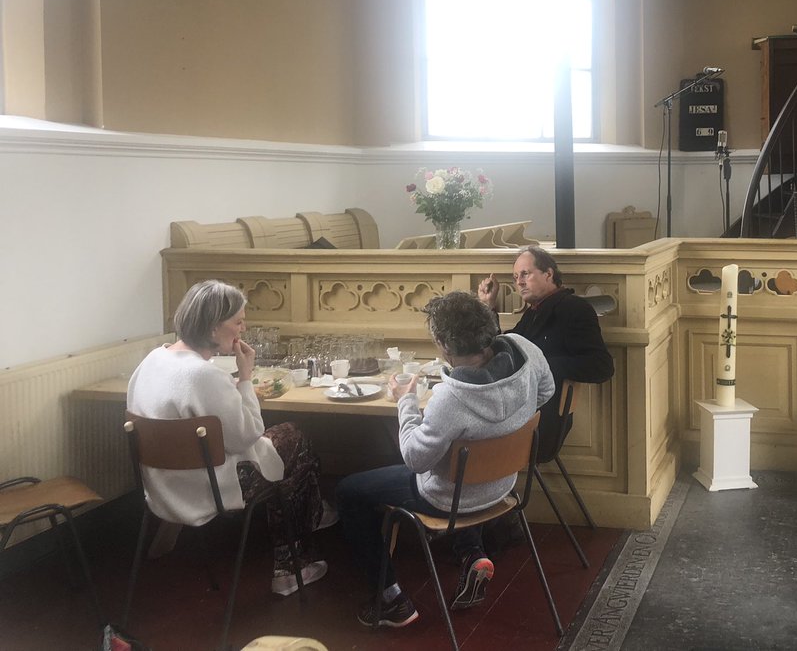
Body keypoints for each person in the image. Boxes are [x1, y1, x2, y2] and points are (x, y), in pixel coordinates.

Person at [336, 291, 555, 629]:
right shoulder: (526, 350)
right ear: (489, 327)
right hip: (503, 485)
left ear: (442, 343)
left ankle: (390, 598)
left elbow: (414, 459)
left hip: (449, 499)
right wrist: (506, 425)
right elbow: (547, 391)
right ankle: (472, 553)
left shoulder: (450, 398)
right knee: (456, 468)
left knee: (349, 490)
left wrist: (405, 401)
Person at [126, 279, 335, 596]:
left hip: (160, 489)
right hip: (209, 490)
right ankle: (291, 565)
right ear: (212, 328)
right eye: (237, 321)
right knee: (295, 438)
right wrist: (246, 378)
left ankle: (314, 511)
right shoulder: (204, 375)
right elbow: (247, 435)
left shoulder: (151, 361)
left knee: (283, 446)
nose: (243, 328)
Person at [477, 245, 614, 455]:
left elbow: (602, 366)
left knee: (463, 433)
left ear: (548, 274)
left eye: (525, 274)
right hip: (520, 414)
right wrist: (488, 306)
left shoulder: (573, 308)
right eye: (515, 277)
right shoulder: (535, 311)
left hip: (541, 425)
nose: (519, 282)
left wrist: (541, 363)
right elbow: (503, 348)